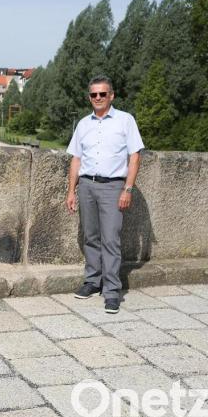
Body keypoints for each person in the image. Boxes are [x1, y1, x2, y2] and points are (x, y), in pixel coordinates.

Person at [66, 75, 144, 314]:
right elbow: (76, 159)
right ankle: (92, 281)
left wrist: (127, 189)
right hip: (87, 185)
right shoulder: (83, 124)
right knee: (91, 237)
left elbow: (135, 156)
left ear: (111, 95)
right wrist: (71, 190)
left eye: (102, 94)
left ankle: (111, 291)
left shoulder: (125, 121)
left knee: (110, 239)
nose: (98, 98)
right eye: (93, 94)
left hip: (113, 187)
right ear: (89, 97)